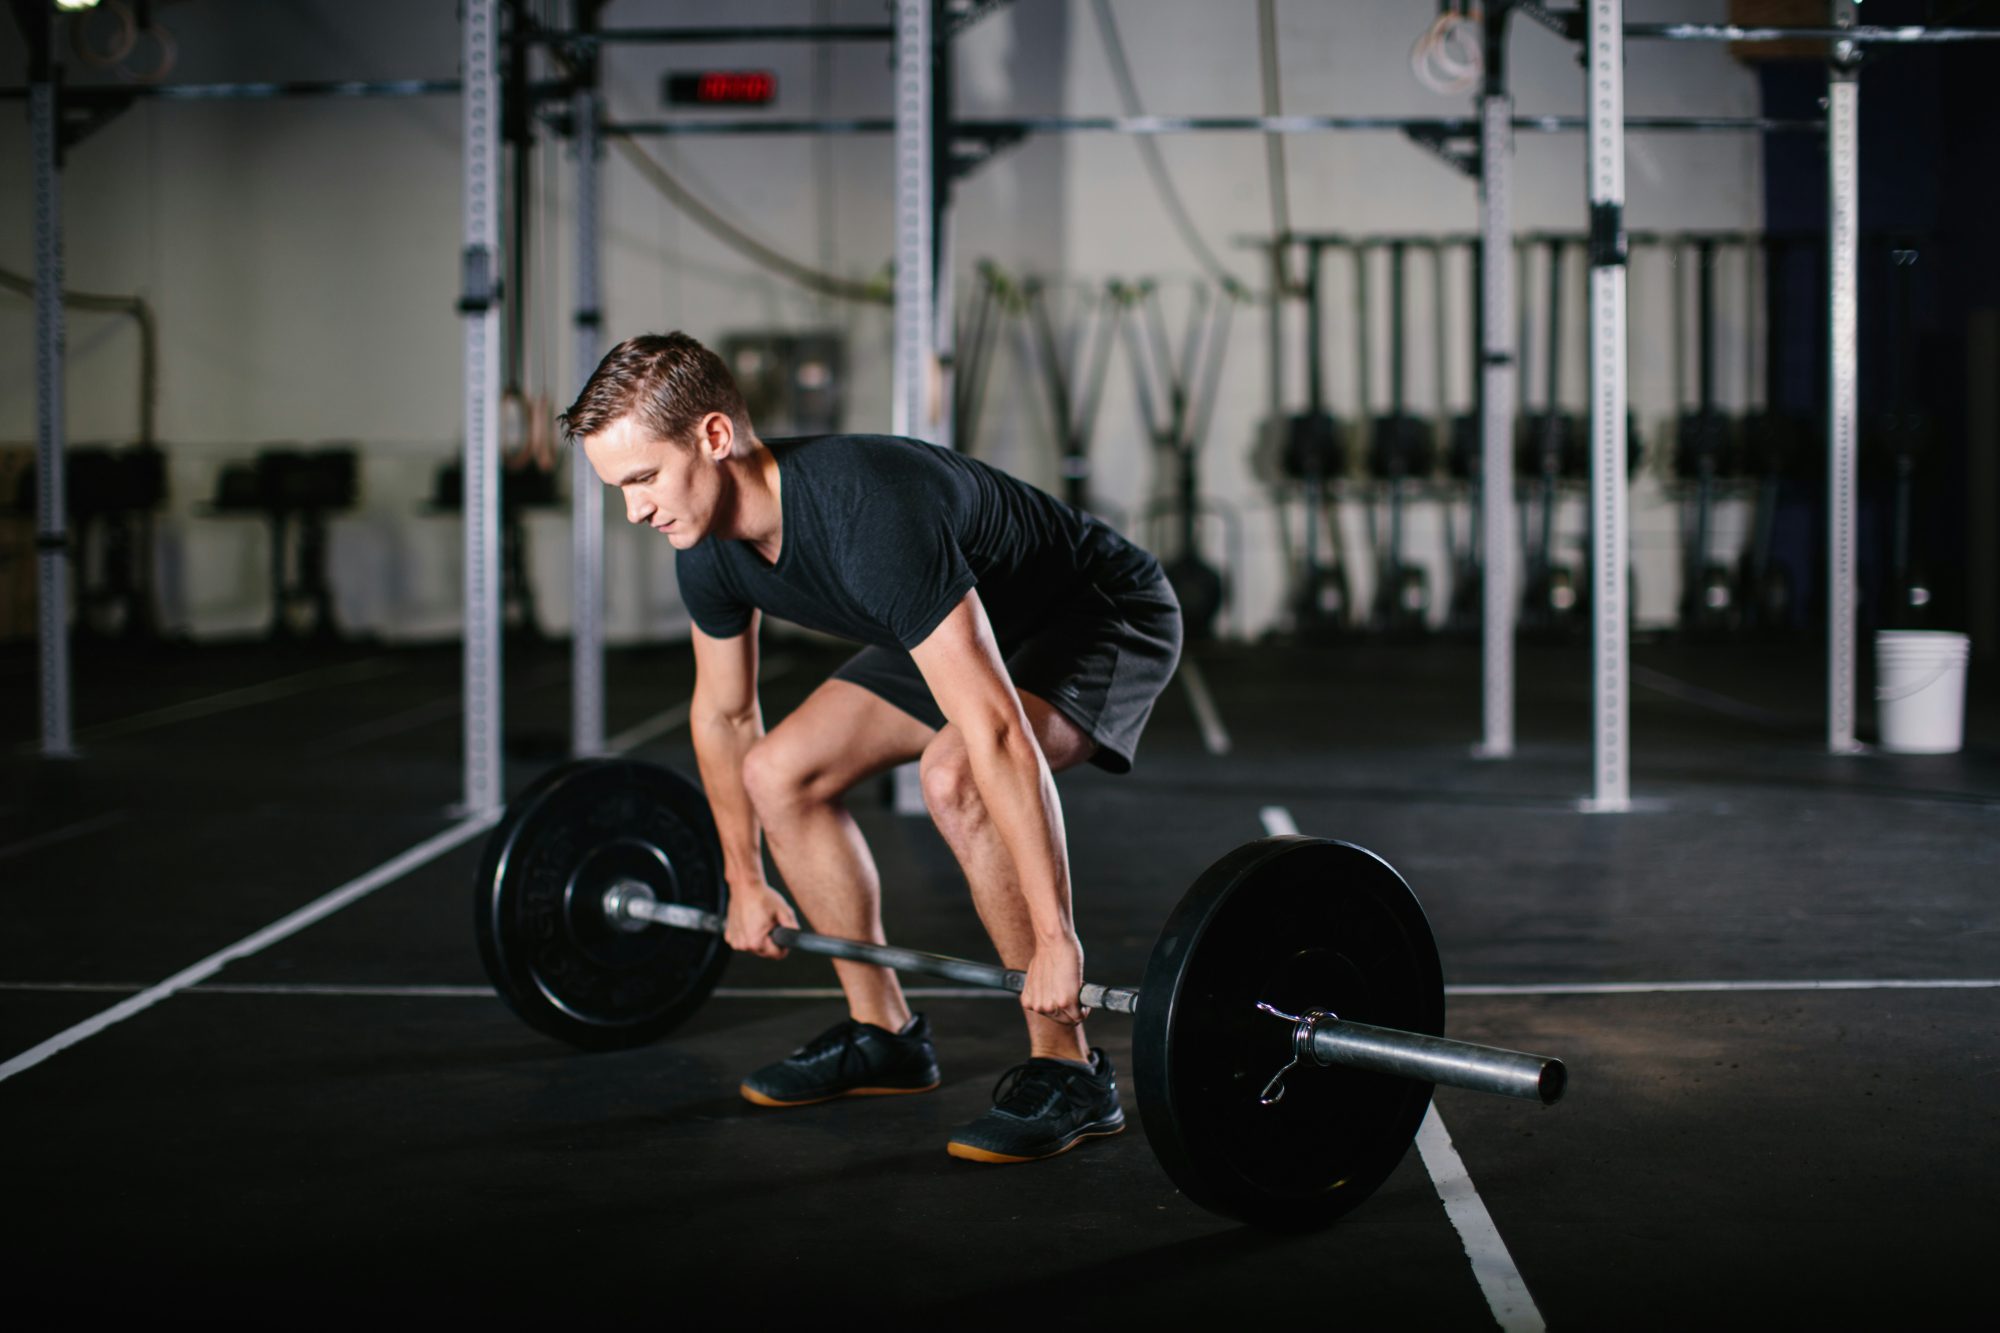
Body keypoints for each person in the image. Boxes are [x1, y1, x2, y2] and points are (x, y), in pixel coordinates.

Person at [561, 332, 1182, 1163]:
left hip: (1094, 615)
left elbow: (995, 730)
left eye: (642, 479)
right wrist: (745, 880)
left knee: (956, 771)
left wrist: (1057, 937)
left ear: (713, 437)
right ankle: (883, 1032)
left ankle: (1068, 1067)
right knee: (779, 774)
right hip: (950, 621)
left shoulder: (867, 512)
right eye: (619, 488)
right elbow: (723, 715)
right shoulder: (706, 543)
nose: (635, 510)